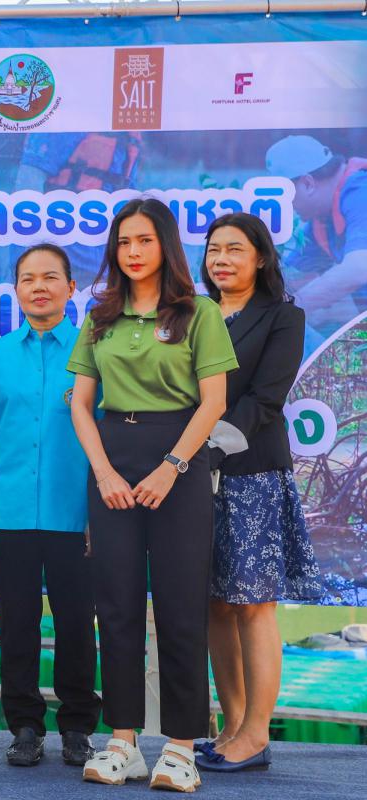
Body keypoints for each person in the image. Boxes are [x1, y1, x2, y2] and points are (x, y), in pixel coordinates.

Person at [67, 198, 237, 792]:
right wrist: (104, 472)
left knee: (180, 606)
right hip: (112, 458)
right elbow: (81, 405)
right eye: (123, 242)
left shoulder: (199, 312)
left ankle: (182, 746)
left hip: (180, 459)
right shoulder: (101, 316)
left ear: (165, 245)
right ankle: (123, 742)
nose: (133, 252)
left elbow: (214, 401)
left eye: (144, 240)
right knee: (115, 606)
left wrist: (172, 467)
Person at [194, 213, 324, 773]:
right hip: (192, 476)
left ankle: (256, 733)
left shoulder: (282, 316)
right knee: (215, 605)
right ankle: (232, 727)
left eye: (235, 249)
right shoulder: (193, 314)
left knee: (252, 604)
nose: (221, 259)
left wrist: (203, 451)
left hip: (251, 472)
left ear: (261, 258)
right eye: (214, 250)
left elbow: (265, 399)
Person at [0, 244, 100, 769]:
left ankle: (78, 728)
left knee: (76, 626)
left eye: (50, 277)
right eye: (27, 279)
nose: (38, 287)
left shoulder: (96, 353)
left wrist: (101, 513)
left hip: (76, 514)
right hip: (9, 513)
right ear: (16, 289)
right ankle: (24, 726)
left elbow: (109, 434)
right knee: (16, 625)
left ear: (70, 287)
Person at [264, 135, 367, 333]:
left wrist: (293, 307)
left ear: (308, 184)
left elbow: (359, 267)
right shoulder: (321, 222)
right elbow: (289, 276)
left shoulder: (361, 191)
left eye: (284, 196)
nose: (285, 207)